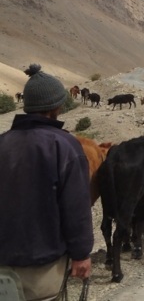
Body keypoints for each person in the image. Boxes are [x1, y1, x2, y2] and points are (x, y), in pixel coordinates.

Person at [0, 64, 93, 301]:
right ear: (57, 106)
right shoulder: (65, 146)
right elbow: (76, 207)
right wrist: (81, 254)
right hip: (42, 268)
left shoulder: (2, 142)